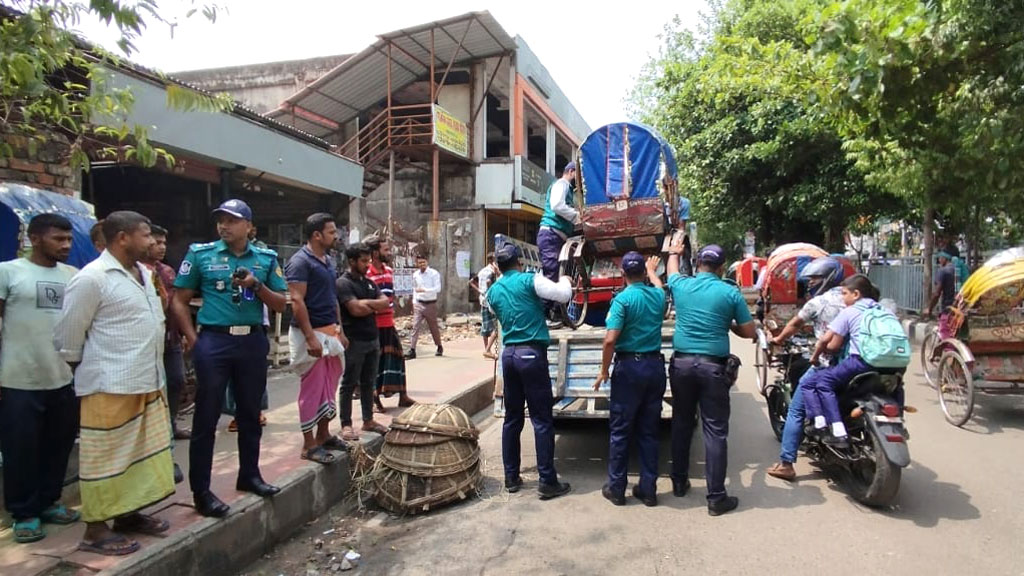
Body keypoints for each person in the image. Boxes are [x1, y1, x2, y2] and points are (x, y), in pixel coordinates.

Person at [54, 211, 174, 556]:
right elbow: (68, 338)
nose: (152, 241)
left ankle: (127, 514)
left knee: (138, 456)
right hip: (109, 384)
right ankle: (94, 530)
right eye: (146, 234)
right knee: (105, 459)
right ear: (123, 238)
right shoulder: (92, 278)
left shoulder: (145, 274)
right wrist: (92, 369)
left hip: (146, 379)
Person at [170, 199, 289, 518]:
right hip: (214, 341)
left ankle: (249, 475)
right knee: (206, 418)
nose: (224, 225)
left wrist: (256, 284)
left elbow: (280, 304)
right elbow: (178, 300)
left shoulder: (266, 258)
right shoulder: (201, 254)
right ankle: (201, 491)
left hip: (251, 340)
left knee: (250, 413)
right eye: (220, 220)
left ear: (249, 227)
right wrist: (194, 340)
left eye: (232, 220)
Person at [0, 214, 79, 544]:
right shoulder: (8, 272)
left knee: (58, 445)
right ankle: (24, 513)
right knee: (20, 449)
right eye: (57, 239)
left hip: (62, 377)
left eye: (68, 239)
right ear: (35, 237)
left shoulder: (73, 276)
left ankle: (49, 502)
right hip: (19, 378)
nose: (65, 245)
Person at [666, 241, 756, 516]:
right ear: (720, 268)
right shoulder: (729, 293)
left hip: (681, 365)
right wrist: (725, 323)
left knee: (681, 422)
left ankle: (679, 482)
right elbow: (750, 331)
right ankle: (716, 497)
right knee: (715, 431)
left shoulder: (682, 285)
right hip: (712, 369)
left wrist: (673, 250)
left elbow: (671, 268)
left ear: (697, 264)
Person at [486, 242, 573, 500]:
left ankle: (511, 477)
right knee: (541, 419)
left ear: (498, 266)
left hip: (509, 356)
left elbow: (494, 311)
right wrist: (566, 280)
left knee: (512, 418)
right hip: (531, 354)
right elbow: (562, 295)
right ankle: (547, 480)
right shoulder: (529, 280)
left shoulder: (493, 291)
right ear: (519, 263)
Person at [591, 252, 666, 507]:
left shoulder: (622, 300)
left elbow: (610, 339)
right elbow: (659, 286)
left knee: (621, 431)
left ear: (622, 275)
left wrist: (603, 370)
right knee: (649, 431)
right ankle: (648, 489)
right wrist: (653, 271)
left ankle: (617, 488)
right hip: (655, 366)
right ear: (643, 273)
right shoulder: (658, 296)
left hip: (629, 369)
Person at [765, 257, 846, 481]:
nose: (810, 283)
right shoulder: (855, 297)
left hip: (827, 365)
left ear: (827, 278)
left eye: (815, 279)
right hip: (857, 365)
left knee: (796, 410)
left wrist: (779, 339)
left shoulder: (819, 302)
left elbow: (794, 324)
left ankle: (786, 463)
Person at [286, 213, 349, 465]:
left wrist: (340, 330)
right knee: (312, 389)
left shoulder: (328, 260)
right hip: (310, 334)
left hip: (329, 333)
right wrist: (311, 337)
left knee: (328, 387)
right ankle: (308, 443)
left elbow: (332, 298)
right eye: (332, 232)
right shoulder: (300, 262)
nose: (336, 236)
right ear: (317, 235)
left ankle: (323, 434)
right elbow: (297, 300)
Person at [801, 275, 887, 447]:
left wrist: (814, 357)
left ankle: (831, 428)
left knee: (815, 383)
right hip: (893, 364)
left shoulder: (849, 311)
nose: (842, 298)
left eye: (845, 293)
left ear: (856, 294)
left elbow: (827, 342)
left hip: (861, 362)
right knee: (894, 385)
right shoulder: (884, 310)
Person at [140, 225, 188, 486]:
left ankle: (169, 429)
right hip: (145, 347)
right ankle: (158, 454)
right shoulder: (136, 273)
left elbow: (175, 306)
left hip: (169, 340)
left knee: (176, 382)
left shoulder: (167, 272)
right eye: (154, 241)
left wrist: (182, 333)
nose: (160, 246)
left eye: (163, 242)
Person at [335, 242, 392, 441]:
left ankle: (368, 419)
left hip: (372, 338)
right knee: (350, 383)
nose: (367, 264)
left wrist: (366, 304)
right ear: (352, 261)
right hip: (354, 340)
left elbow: (386, 302)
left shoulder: (368, 283)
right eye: (363, 261)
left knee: (369, 382)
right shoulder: (343, 283)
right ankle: (346, 424)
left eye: (368, 260)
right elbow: (354, 309)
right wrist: (371, 305)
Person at [365, 234, 417, 411]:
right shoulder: (367, 274)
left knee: (397, 357)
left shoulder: (388, 271)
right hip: (374, 325)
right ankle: (374, 398)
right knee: (376, 363)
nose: (389, 252)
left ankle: (402, 395)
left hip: (389, 322)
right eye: (385, 249)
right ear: (375, 252)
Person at [537, 162, 579, 285]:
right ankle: (547, 304)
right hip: (551, 235)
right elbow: (557, 206)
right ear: (571, 172)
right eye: (578, 175)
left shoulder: (569, 190)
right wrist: (576, 216)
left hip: (554, 237)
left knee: (555, 278)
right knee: (551, 279)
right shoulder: (562, 184)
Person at [405, 254, 443, 359]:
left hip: (430, 303)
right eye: (419, 263)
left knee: (433, 327)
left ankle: (439, 346)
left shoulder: (434, 274)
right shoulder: (416, 274)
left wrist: (425, 290)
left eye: (423, 262)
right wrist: (414, 302)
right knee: (415, 326)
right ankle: (412, 349)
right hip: (419, 303)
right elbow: (414, 289)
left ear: (427, 262)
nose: (421, 265)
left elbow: (438, 288)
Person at [470, 253, 500, 359]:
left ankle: (486, 349)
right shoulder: (493, 272)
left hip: (483, 300)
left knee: (485, 326)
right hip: (491, 301)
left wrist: (480, 291)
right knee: (497, 328)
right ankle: (487, 350)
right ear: (493, 261)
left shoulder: (482, 271)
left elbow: (471, 282)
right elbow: (489, 283)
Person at [926, 251, 957, 339]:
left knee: (945, 333)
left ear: (944, 259)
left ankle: (948, 351)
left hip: (948, 308)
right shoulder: (958, 269)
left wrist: (930, 309)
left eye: (940, 258)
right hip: (961, 308)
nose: (939, 260)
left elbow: (937, 293)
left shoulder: (943, 271)